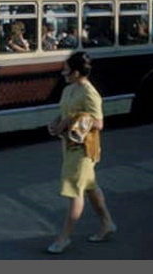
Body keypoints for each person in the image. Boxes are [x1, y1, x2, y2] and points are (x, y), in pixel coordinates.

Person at [46, 52, 116, 254]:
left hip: (84, 149)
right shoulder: (69, 89)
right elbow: (64, 111)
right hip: (69, 146)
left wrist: (71, 121)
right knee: (89, 187)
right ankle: (107, 223)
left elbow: (99, 123)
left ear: (76, 72)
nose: (62, 73)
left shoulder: (89, 93)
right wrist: (56, 122)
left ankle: (64, 237)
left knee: (74, 190)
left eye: (66, 69)